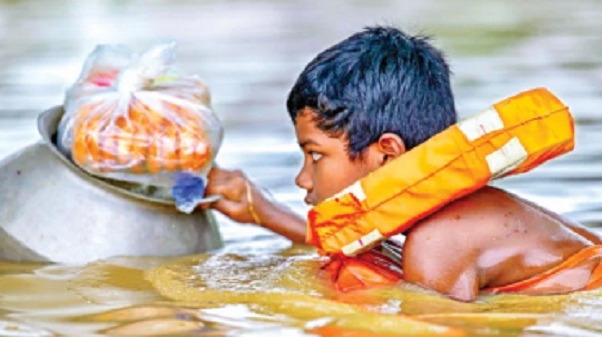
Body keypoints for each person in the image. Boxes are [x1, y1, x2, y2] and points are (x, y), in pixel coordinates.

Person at [204, 26, 602, 302]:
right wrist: (264, 213)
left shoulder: (438, 241)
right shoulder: (452, 219)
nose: (302, 178)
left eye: (315, 155)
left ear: (387, 154)